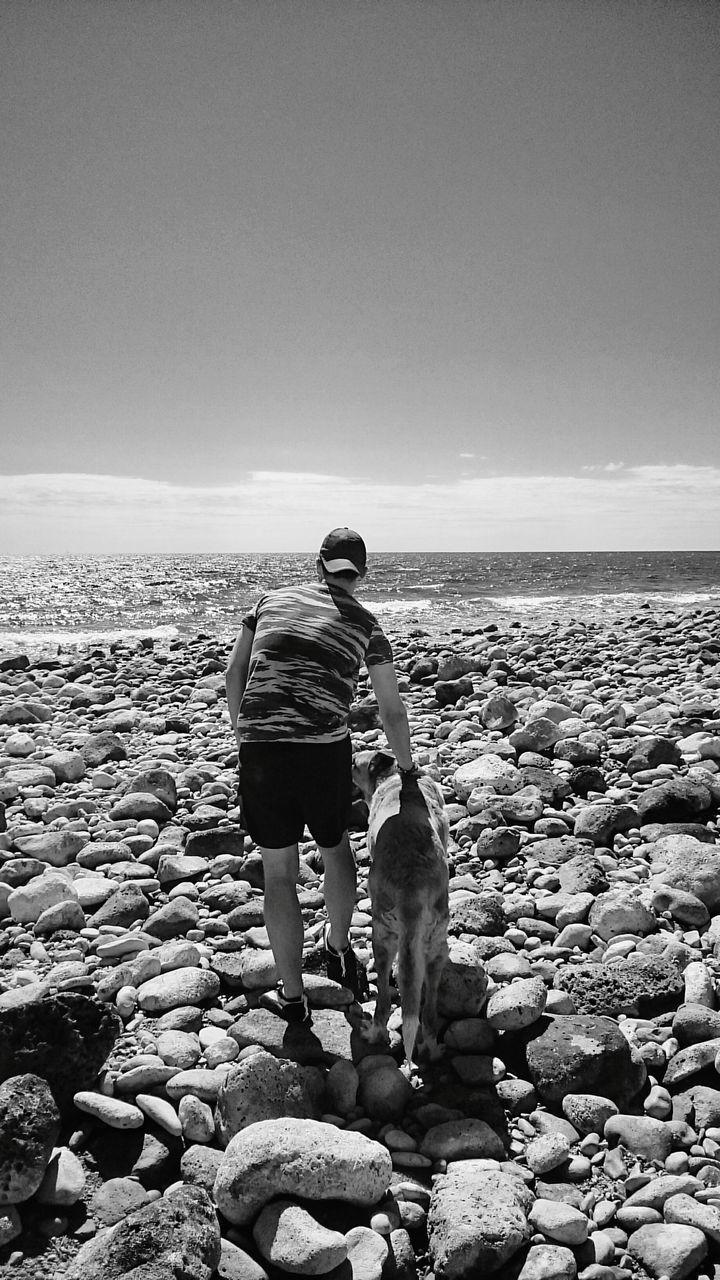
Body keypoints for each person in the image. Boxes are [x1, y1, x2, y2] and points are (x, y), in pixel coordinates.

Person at [225, 527, 414, 1025]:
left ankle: (291, 996)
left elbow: (233, 676)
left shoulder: (267, 601)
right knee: (334, 848)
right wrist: (408, 770)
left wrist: (246, 735)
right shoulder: (367, 625)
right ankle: (336, 945)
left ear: (318, 564)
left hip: (262, 752)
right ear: (362, 574)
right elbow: (391, 712)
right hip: (322, 754)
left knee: (279, 873)